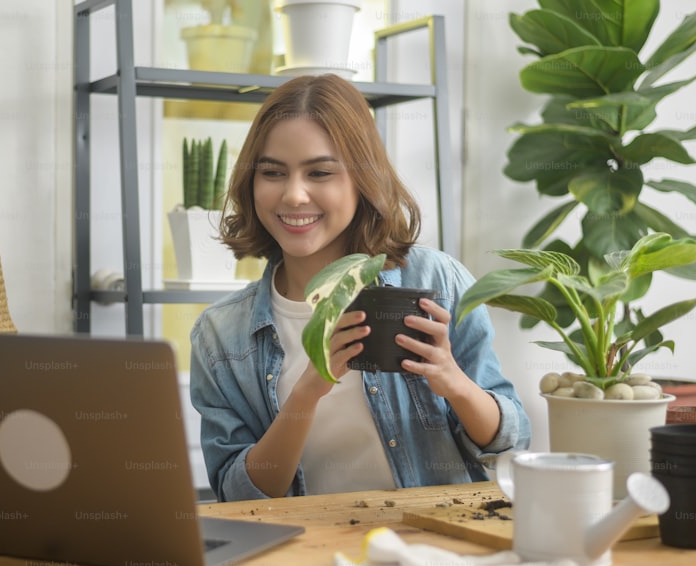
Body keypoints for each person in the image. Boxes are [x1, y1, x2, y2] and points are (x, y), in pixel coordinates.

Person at [189, 75, 530, 501]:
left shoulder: (437, 283)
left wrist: (454, 382)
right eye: (273, 172)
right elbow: (238, 497)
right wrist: (307, 393)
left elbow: (511, 445)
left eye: (320, 172)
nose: (294, 195)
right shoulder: (221, 335)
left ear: (362, 180)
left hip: (431, 547)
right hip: (303, 555)